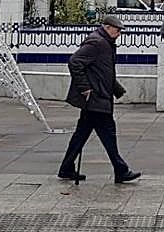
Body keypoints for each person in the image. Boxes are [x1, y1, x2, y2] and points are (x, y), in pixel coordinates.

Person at [58, 14, 141, 184]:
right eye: (117, 31)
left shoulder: (106, 43)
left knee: (81, 135)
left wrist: (116, 89)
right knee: (108, 135)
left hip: (99, 98)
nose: (119, 34)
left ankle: (66, 168)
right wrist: (85, 88)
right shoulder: (97, 43)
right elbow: (74, 62)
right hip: (96, 99)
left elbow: (102, 71)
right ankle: (121, 171)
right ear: (107, 28)